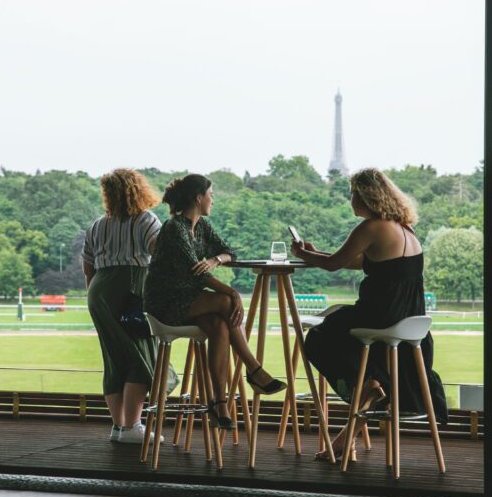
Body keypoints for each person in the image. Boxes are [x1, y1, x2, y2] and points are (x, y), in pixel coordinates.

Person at [292, 167, 448, 459]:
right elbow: (355, 261)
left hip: (379, 315)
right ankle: (365, 396)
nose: (350, 199)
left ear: (365, 196)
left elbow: (334, 265)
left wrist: (303, 254)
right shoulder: (404, 229)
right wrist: (316, 254)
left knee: (317, 337)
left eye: (353, 194)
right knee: (341, 330)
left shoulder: (370, 227)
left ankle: (364, 386)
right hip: (408, 319)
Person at [144, 174, 286, 431]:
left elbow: (230, 251)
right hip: (164, 302)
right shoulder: (174, 228)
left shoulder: (202, 227)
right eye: (211, 195)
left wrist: (215, 259)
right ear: (199, 198)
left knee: (220, 326)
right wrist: (233, 293)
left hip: (188, 300)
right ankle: (254, 369)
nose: (213, 200)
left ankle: (219, 404)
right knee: (226, 302)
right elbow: (195, 273)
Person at [83, 169, 164, 445]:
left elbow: (88, 267)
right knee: (141, 357)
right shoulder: (145, 220)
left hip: (98, 293)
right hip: (131, 292)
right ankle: (132, 426)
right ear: (138, 190)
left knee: (114, 360)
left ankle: (119, 427)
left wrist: (96, 299)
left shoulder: (97, 225)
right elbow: (158, 251)